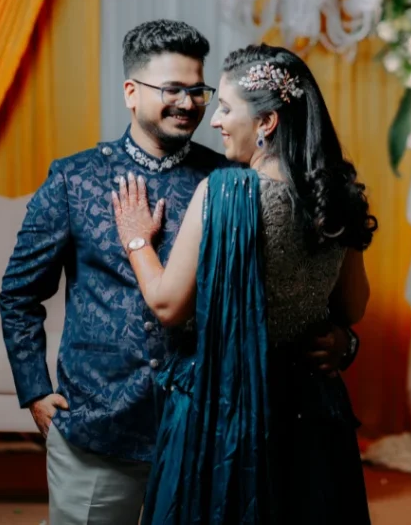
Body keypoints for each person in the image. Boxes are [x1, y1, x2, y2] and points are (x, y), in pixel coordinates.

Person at [0, 22, 360, 525]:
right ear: (131, 92)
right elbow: (19, 292)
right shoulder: (75, 178)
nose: (190, 104)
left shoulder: (232, 178)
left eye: (199, 90)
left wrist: (344, 342)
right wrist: (35, 388)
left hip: (210, 431)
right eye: (173, 90)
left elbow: (286, 290)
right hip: (103, 424)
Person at [112, 43, 376, 524]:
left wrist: (136, 242)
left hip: (227, 406)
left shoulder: (224, 193)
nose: (215, 120)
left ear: (266, 124)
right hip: (309, 406)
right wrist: (338, 338)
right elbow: (352, 307)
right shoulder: (338, 198)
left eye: (227, 108)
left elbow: (169, 305)